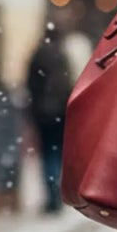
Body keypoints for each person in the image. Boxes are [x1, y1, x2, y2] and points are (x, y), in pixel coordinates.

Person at [24, 22, 72, 214]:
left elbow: (31, 85)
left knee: (47, 155)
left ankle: (52, 197)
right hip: (60, 112)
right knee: (57, 153)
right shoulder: (62, 56)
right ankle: (56, 195)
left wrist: (32, 111)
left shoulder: (38, 54)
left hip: (42, 113)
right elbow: (67, 84)